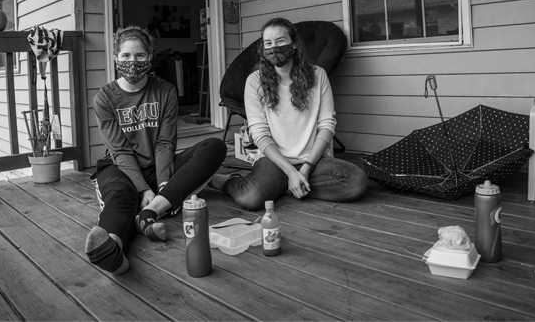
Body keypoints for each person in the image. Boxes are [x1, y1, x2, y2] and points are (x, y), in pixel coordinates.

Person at [85, 25, 227, 275]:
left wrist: (161, 185)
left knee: (214, 146)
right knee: (120, 198)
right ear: (116, 58)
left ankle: (152, 211)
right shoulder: (104, 98)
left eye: (140, 55)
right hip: (120, 168)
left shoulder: (165, 90)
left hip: (159, 166)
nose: (133, 62)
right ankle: (113, 248)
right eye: (126, 56)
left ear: (150, 57)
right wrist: (142, 189)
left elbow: (165, 143)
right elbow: (120, 151)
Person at [211, 17, 367, 210]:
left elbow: (327, 125)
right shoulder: (254, 81)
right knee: (249, 198)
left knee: (356, 182)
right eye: (268, 43)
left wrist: (306, 168)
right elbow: (259, 133)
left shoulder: (318, 75)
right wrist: (290, 172)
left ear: (294, 45)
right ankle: (229, 181)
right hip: (274, 161)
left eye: (280, 41)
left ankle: (285, 187)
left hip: (313, 160)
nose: (274, 48)